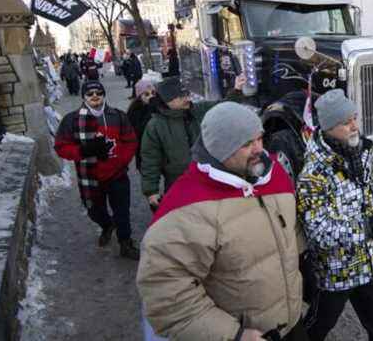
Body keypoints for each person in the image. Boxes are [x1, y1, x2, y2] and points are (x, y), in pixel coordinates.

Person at [137, 102, 307, 341]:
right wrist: (234, 335)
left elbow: (291, 235)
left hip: (290, 325)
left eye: (259, 138)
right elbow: (168, 298)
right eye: (247, 144)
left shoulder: (273, 173)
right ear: (221, 150)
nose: (260, 149)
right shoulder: (185, 210)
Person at [296, 89, 373, 341]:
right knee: (317, 326)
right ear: (328, 127)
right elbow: (320, 233)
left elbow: (369, 197)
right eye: (346, 122)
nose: (355, 126)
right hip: (336, 273)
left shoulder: (360, 154)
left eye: (354, 117)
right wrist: (372, 226)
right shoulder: (313, 176)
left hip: (368, 264)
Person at [54, 80, 140, 260]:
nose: (95, 96)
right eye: (90, 93)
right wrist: (83, 151)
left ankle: (125, 243)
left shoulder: (118, 116)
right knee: (94, 210)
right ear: (84, 96)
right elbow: (61, 147)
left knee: (122, 211)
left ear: (103, 95)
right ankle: (107, 225)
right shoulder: (72, 120)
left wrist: (121, 161)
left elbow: (130, 140)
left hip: (117, 174)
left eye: (98, 93)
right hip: (90, 177)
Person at [139, 75, 247, 210]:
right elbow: (150, 160)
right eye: (181, 97)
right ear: (167, 101)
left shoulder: (198, 110)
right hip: (178, 183)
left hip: (208, 177)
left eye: (186, 94)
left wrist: (236, 90)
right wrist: (151, 191)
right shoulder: (155, 126)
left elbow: (222, 108)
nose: (187, 99)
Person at [127, 79, 157, 172]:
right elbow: (139, 131)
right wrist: (149, 110)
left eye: (153, 93)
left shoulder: (157, 106)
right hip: (143, 151)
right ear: (139, 96)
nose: (151, 96)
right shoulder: (135, 111)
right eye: (146, 94)